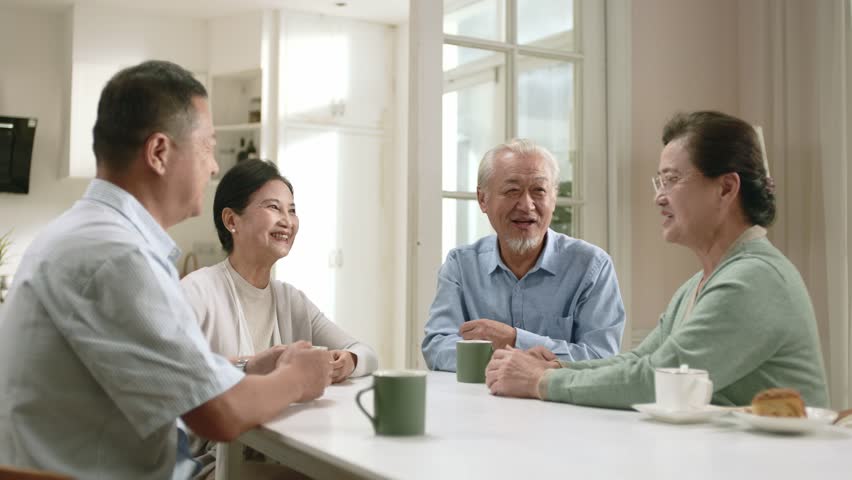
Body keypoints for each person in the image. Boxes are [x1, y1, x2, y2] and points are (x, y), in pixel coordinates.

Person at [0, 60, 332, 479]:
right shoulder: (118, 256)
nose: (213, 167)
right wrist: (299, 379)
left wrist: (247, 369)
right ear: (159, 152)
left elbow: (158, 371)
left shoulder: (83, 233)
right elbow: (221, 415)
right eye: (207, 147)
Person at [486, 111, 829, 408]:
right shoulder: (701, 283)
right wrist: (557, 369)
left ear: (726, 188)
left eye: (672, 180)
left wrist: (541, 382)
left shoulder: (754, 280)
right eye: (659, 180)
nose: (658, 197)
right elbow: (639, 360)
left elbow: (655, 381)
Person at [422, 139, 626, 372]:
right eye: (512, 191)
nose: (527, 205)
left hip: (558, 406)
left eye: (539, 190)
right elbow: (437, 346)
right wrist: (522, 361)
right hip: (478, 403)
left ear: (554, 198)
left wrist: (513, 339)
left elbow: (600, 358)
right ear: (482, 199)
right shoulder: (460, 265)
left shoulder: (592, 266)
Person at [182, 158, 378, 383]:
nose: (287, 221)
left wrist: (349, 360)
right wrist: (248, 366)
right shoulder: (198, 290)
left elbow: (366, 354)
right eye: (274, 207)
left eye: (292, 210)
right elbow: (173, 370)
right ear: (231, 220)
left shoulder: (290, 300)